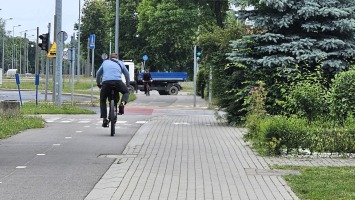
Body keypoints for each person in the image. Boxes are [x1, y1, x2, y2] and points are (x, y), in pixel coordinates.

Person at [96, 53, 130, 127]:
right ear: (117, 58)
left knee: (102, 99)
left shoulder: (105, 62)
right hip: (117, 82)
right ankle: (122, 104)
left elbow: (98, 74)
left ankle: (104, 118)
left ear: (109, 58)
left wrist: (98, 83)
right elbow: (127, 74)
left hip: (106, 83)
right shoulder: (121, 63)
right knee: (126, 92)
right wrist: (127, 84)